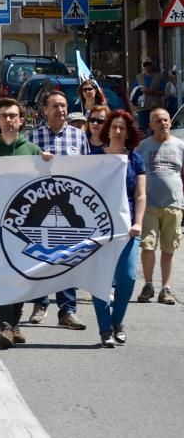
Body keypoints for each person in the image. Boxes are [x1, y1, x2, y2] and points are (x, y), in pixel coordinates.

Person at [0, 97, 51, 349]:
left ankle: (16, 321)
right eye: (4, 116)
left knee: (22, 276)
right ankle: (5, 326)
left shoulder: (32, 152)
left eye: (13, 116)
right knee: (2, 275)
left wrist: (48, 165)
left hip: (24, 228)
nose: (8, 120)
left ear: (21, 120)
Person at [26, 90, 90, 329]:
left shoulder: (78, 137)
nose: (61, 110)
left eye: (63, 106)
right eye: (55, 106)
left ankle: (67, 310)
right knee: (40, 255)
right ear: (45, 110)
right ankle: (40, 303)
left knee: (67, 257)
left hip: (68, 203)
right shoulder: (34, 137)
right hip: (41, 204)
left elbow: (86, 170)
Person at [92, 110, 146, 346]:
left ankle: (117, 321)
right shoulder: (94, 157)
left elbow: (141, 195)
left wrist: (138, 223)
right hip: (99, 229)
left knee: (128, 276)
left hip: (128, 229)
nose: (117, 131)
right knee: (98, 279)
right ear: (107, 129)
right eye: (113, 126)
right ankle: (105, 329)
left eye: (121, 128)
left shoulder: (135, 159)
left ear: (128, 132)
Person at [136, 108, 184, 305]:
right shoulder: (143, 147)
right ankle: (148, 285)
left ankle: (166, 289)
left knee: (168, 249)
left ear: (170, 123)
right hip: (149, 204)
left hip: (174, 204)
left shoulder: (180, 146)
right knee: (148, 245)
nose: (163, 123)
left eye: (165, 120)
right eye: (158, 120)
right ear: (151, 125)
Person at [134, 58, 167, 133]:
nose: (147, 66)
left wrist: (152, 91)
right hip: (142, 108)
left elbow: (164, 92)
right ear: (143, 66)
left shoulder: (159, 77)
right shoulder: (138, 77)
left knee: (155, 129)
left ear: (152, 66)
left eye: (149, 64)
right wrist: (140, 90)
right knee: (142, 130)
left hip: (155, 107)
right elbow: (134, 91)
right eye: (145, 65)